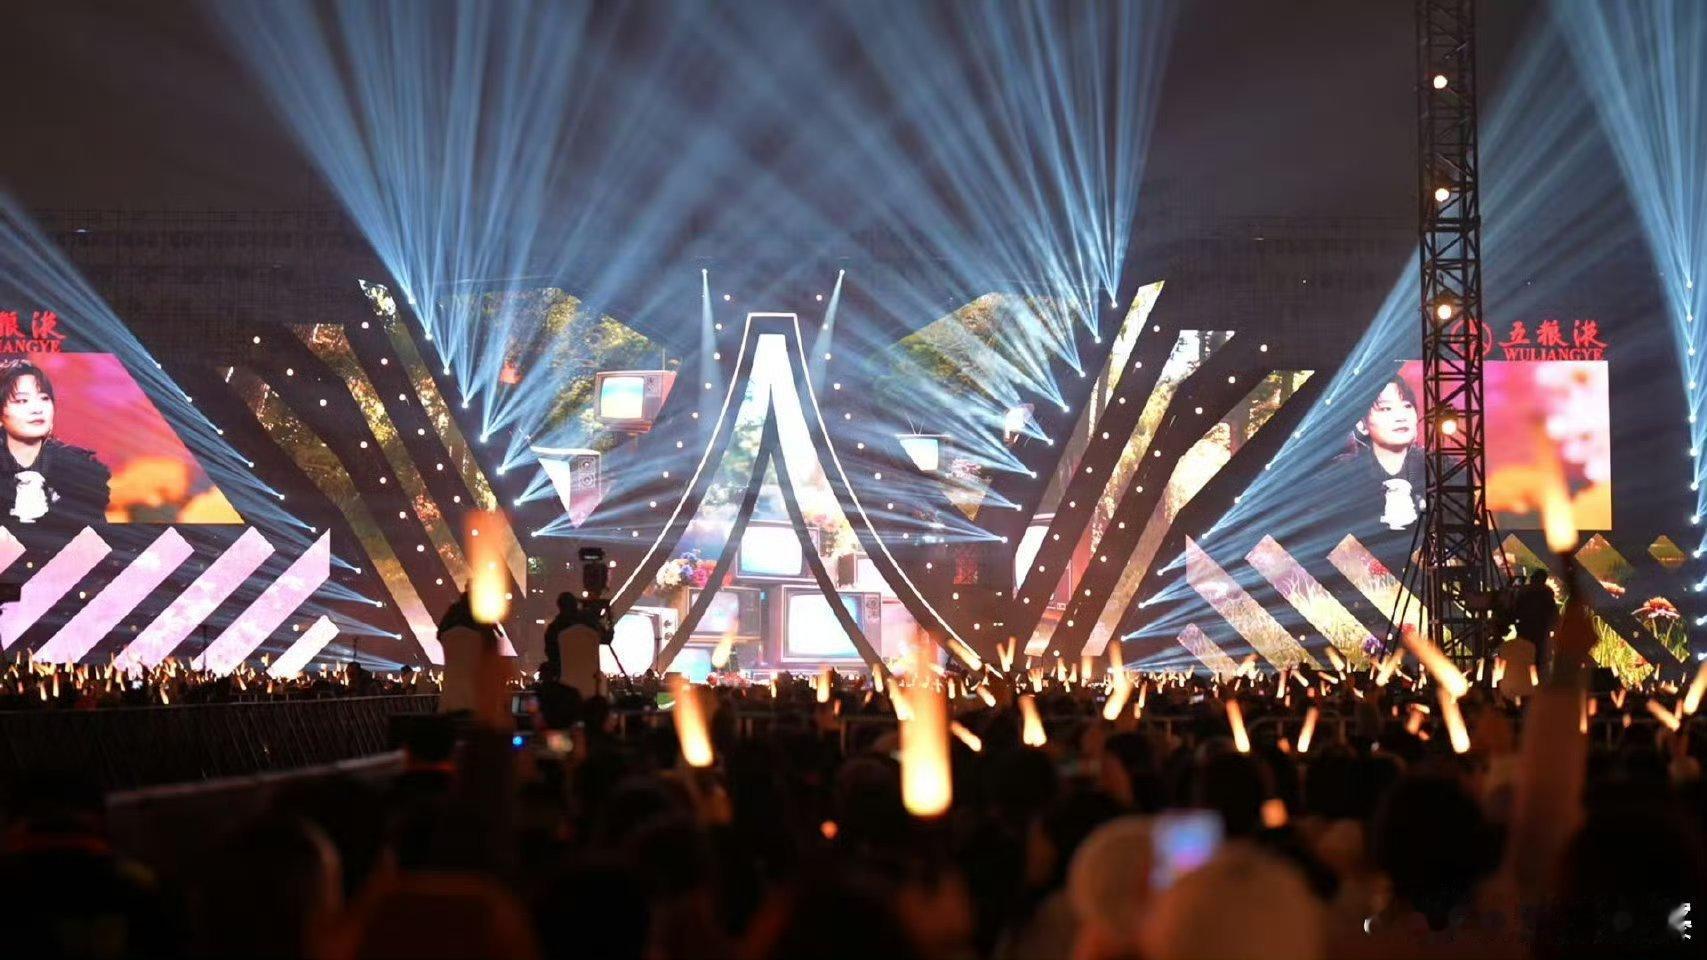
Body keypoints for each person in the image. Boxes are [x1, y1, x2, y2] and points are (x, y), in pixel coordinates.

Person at [0, 361, 110, 529]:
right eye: (22, 400)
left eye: (44, 398)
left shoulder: (81, 471)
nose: (37, 409)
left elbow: (95, 534)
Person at [1331, 376, 1425, 537]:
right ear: (1362, 424)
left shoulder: (1440, 468)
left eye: (1407, 406)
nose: (1401, 417)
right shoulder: (1343, 475)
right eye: (1386, 409)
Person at [1512, 569, 1558, 676]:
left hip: (1525, 635)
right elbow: (1555, 619)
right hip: (1541, 637)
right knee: (1539, 666)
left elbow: (1514, 613)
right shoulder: (1547, 597)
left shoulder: (1524, 595)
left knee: (1524, 665)